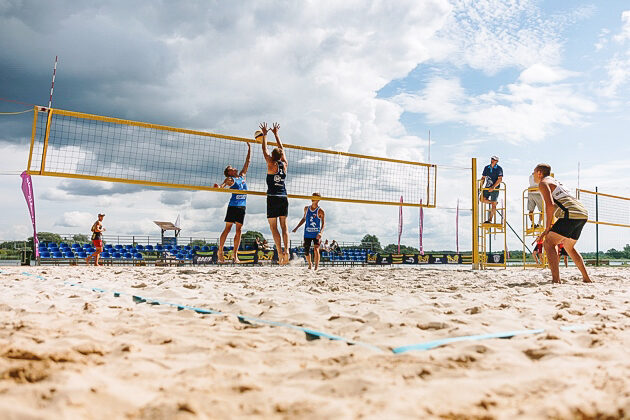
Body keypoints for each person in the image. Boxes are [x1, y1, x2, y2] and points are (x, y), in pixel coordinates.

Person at [533, 163, 591, 283]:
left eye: (534, 172)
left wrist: (547, 229)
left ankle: (556, 280)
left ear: (539, 173)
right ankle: (586, 278)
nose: (533, 175)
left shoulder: (543, 183)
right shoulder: (556, 182)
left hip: (571, 213)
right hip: (582, 213)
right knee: (569, 247)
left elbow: (550, 205)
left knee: (548, 243)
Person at [213, 142, 251, 263]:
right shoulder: (230, 179)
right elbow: (223, 185)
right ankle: (220, 251)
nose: (234, 168)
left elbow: (247, 162)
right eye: (231, 168)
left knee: (239, 230)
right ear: (229, 172)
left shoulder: (242, 176)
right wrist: (219, 187)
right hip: (233, 206)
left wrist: (250, 148)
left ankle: (235, 254)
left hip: (242, 207)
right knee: (228, 229)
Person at [259, 122, 290, 265]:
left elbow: (264, 149)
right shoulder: (284, 164)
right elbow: (282, 149)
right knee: (284, 227)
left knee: (273, 227)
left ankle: (279, 253)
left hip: (272, 198)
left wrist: (265, 135)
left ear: (272, 156)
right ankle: (287, 252)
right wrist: (276, 134)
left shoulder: (270, 163)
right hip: (283, 196)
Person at [292, 193, 326, 270]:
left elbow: (323, 224)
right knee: (306, 251)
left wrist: (321, 233)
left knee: (316, 249)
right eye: (312, 196)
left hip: (316, 233)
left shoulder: (320, 211)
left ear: (318, 199)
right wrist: (296, 227)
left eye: (314, 197)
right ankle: (310, 264)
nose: (312, 198)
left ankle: (316, 267)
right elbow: (304, 219)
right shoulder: (306, 208)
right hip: (307, 233)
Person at [480, 156, 503, 224]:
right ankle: (493, 202)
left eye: (494, 159)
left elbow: (500, 179)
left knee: (493, 205)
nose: (492, 160)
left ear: (497, 161)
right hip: (487, 187)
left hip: (495, 188)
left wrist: (493, 187)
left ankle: (490, 219)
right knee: (481, 199)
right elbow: (483, 178)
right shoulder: (486, 167)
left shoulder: (499, 168)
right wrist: (480, 186)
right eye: (492, 159)